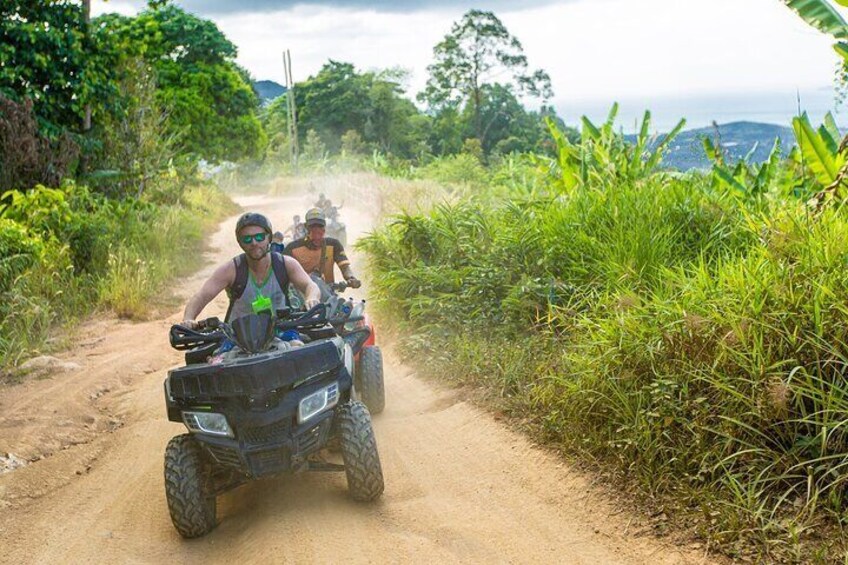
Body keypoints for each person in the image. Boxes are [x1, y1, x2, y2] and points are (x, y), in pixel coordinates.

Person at [182, 212, 321, 327]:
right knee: (216, 359)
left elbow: (310, 285)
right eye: (247, 239)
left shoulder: (285, 264)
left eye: (259, 237)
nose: (254, 243)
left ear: (269, 238)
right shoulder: (230, 270)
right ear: (240, 242)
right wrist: (188, 318)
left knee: (300, 348)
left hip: (283, 332)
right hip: (237, 341)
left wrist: (312, 298)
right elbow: (201, 296)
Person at [284, 207, 360, 287]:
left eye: (320, 226)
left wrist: (351, 278)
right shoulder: (292, 248)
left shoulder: (334, 245)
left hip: (329, 294)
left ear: (324, 227)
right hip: (300, 295)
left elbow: (345, 267)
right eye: (312, 226)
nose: (316, 230)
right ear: (306, 227)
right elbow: (281, 272)